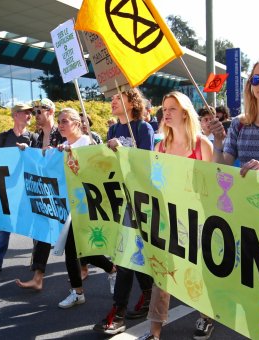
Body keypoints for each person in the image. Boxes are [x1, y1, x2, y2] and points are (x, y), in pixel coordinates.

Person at [138, 91, 214, 340]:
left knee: (199, 272)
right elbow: (156, 181)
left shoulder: (202, 144)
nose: (166, 113)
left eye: (172, 108)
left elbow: (211, 187)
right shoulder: (161, 145)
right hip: (167, 218)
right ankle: (155, 331)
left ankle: (205, 317)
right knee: (163, 273)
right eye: (164, 108)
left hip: (197, 220)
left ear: (185, 112)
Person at [95, 88, 154, 335]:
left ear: (132, 102)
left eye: (118, 98)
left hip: (138, 201)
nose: (113, 102)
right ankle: (149, 295)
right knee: (133, 253)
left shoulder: (142, 129)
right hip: (117, 199)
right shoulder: (112, 130)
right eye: (112, 99)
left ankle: (118, 313)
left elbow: (147, 164)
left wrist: (124, 150)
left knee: (125, 255)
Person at [54, 108, 117, 308]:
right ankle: (109, 270)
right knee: (78, 248)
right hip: (70, 205)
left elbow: (97, 171)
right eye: (59, 121)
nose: (61, 125)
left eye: (65, 121)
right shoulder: (62, 146)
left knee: (75, 248)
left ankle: (78, 291)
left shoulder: (88, 143)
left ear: (77, 123)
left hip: (88, 203)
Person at [0, 103, 38, 272]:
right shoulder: (4, 137)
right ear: (15, 115)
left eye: (30, 113)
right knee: (4, 224)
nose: (29, 116)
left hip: (28, 187)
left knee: (33, 224)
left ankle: (38, 260)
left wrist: (29, 151)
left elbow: (39, 160)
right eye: (26, 113)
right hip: (8, 188)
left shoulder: (33, 137)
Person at [15, 99, 66, 290]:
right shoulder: (36, 138)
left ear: (50, 111)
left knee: (73, 236)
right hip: (44, 191)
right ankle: (38, 277)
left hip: (64, 191)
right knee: (42, 231)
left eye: (38, 111)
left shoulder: (61, 134)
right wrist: (26, 152)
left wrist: (60, 152)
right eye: (34, 111)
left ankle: (102, 266)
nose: (35, 115)